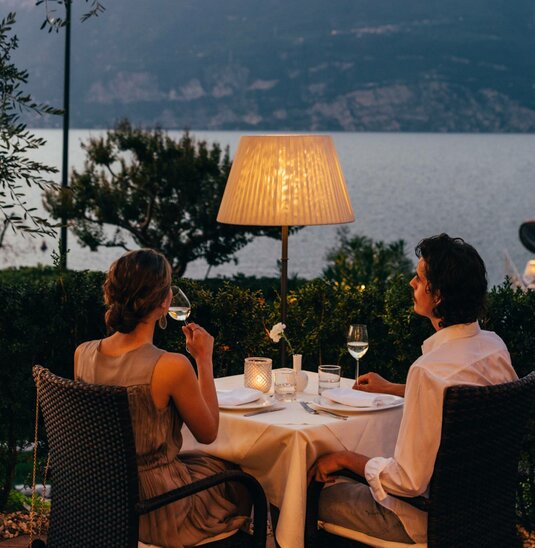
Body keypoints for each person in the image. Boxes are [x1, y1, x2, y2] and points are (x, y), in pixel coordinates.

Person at [308, 233, 518, 544]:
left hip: (422, 519)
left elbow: (408, 482)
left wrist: (344, 458)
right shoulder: (493, 347)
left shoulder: (428, 370)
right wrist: (394, 388)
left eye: (419, 279)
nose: (411, 283)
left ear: (439, 296)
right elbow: (456, 395)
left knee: (301, 492)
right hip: (481, 510)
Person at [74, 249, 250, 548]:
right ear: (164, 302)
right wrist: (203, 360)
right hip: (158, 509)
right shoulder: (170, 366)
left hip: (100, 503)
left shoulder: (83, 353)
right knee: (239, 480)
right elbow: (207, 434)